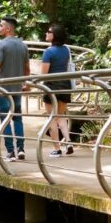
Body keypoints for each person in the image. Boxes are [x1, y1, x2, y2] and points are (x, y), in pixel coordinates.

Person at [0, 16, 30, 161]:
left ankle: (10, 152)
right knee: (17, 118)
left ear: (8, 28)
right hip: (17, 88)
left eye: (1, 26)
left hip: (3, 89)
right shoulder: (23, 45)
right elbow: (27, 68)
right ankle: (21, 149)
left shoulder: (1, 45)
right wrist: (25, 83)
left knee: (5, 119)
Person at [40, 24, 74, 157]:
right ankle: (69, 142)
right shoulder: (66, 50)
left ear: (55, 35)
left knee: (52, 118)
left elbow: (44, 74)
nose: (46, 33)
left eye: (49, 32)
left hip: (51, 87)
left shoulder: (48, 52)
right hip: (65, 85)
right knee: (60, 116)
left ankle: (57, 148)